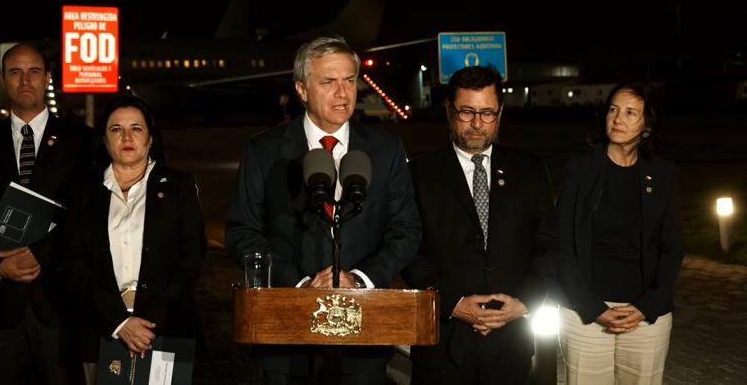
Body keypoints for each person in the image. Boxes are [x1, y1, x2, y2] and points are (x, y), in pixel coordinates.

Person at [225, 36, 421, 384]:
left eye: (349, 80)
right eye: (328, 82)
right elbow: (242, 233)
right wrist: (300, 284)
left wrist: (358, 279)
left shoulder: (387, 150)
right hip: (287, 336)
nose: (343, 93)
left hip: (362, 336)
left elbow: (406, 230)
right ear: (301, 89)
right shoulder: (263, 151)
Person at [401, 66, 556, 385]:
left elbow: (548, 245)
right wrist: (453, 303)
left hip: (511, 344)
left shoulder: (530, 170)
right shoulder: (418, 174)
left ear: (500, 114)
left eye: (487, 113)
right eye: (467, 112)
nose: (476, 123)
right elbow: (408, 249)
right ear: (449, 111)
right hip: (442, 344)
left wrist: (524, 303)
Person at [0, 43, 94, 384]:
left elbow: (88, 215)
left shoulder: (82, 141)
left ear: (47, 78)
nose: (25, 80)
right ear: (2, 80)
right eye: (15, 72)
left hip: (60, 304)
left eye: (34, 72)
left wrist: (41, 254)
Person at [61, 95, 207, 384]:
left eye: (136, 128)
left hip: (164, 328)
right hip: (100, 330)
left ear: (150, 138)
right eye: (116, 129)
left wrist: (147, 323)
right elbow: (72, 263)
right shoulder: (82, 192)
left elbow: (192, 259)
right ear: (104, 140)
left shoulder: (178, 186)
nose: (127, 137)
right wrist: (119, 322)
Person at [553, 82, 682, 384]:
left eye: (630, 113)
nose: (618, 118)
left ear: (647, 125)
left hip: (646, 318)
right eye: (613, 110)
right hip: (585, 315)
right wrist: (591, 307)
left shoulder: (663, 174)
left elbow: (672, 248)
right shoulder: (580, 170)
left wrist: (647, 306)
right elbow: (562, 246)